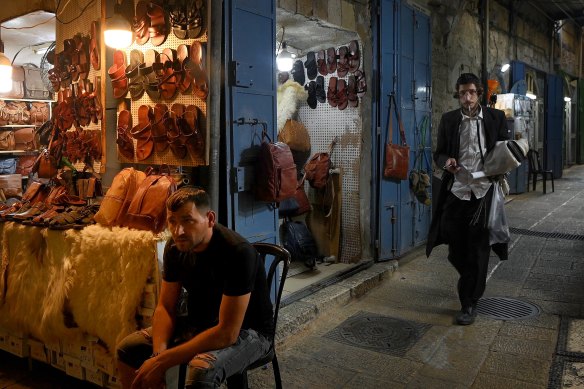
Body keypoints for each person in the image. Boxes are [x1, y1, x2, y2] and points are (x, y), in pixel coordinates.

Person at [116, 187, 274, 388]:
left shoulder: (238, 252)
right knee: (127, 349)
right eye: (172, 221)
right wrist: (159, 355)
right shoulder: (175, 248)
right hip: (202, 322)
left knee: (201, 371)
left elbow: (227, 333)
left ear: (209, 218)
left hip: (251, 332)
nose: (178, 231)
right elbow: (165, 307)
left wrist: (163, 361)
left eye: (188, 220)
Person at [426, 73, 510, 326]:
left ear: (479, 93)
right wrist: (446, 162)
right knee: (455, 247)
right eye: (463, 93)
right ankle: (473, 278)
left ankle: (468, 303)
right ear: (458, 94)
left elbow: (506, 150)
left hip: (484, 192)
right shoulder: (450, 120)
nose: (467, 98)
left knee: (478, 248)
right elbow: (438, 153)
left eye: (472, 92)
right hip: (457, 190)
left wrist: (502, 167)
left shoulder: (496, 118)